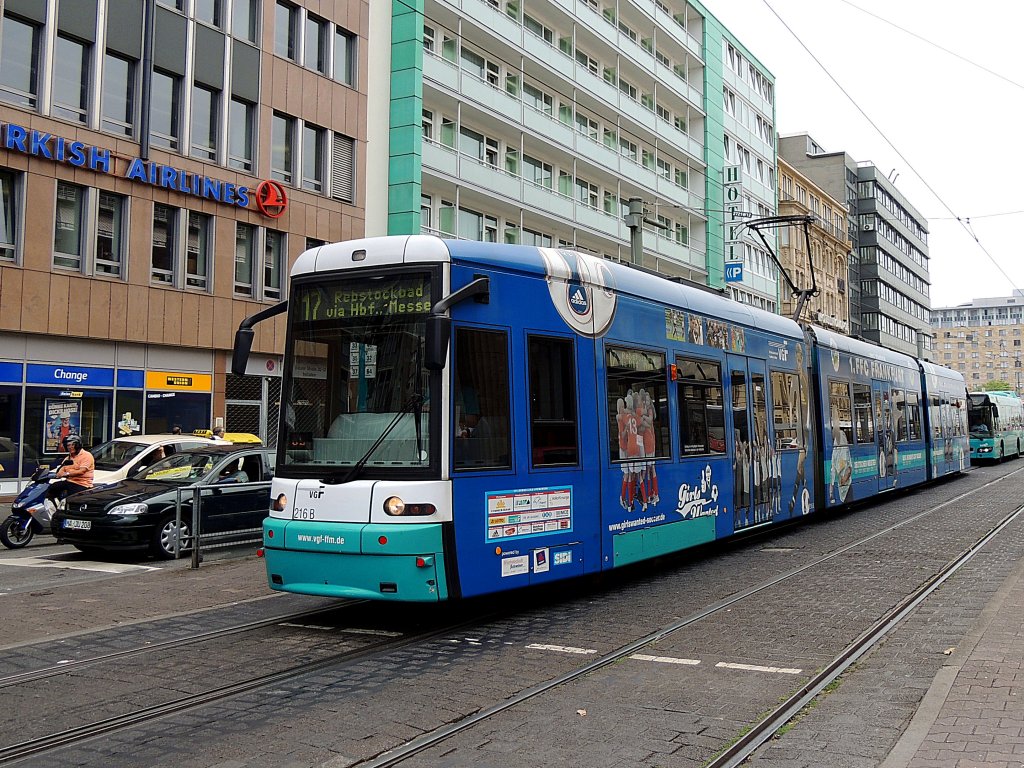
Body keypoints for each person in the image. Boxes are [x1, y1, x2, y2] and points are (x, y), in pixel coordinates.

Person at [45, 435, 94, 513]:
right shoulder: (68, 458)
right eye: (68, 445)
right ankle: (55, 509)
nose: (70, 447)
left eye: (72, 445)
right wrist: (58, 473)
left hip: (82, 484)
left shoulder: (86, 455)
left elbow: (82, 471)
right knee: (51, 488)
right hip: (69, 482)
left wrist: (67, 473)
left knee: (71, 497)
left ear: (78, 445)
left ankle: (70, 513)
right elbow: (61, 470)